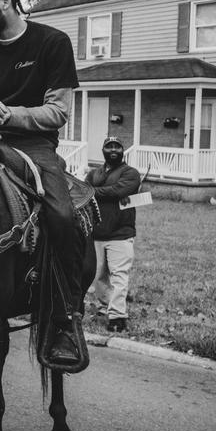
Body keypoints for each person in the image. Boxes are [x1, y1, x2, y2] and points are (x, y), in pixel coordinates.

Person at [0, 0, 83, 365]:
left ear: (7, 2)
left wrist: (8, 113)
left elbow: (59, 112)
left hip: (33, 146)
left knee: (63, 216)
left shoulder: (52, 42)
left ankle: (64, 317)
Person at [84, 136, 141, 333]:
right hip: (97, 233)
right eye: (109, 146)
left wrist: (93, 191)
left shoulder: (131, 173)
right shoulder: (94, 174)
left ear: (122, 150)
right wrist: (91, 191)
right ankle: (103, 308)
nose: (113, 150)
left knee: (119, 275)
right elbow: (83, 193)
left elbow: (118, 191)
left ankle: (117, 316)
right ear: (103, 150)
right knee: (98, 276)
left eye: (117, 146)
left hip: (121, 234)